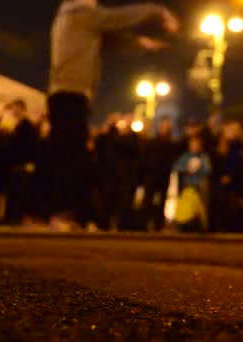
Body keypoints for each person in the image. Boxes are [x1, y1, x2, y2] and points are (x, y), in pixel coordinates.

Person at [48, 0, 178, 229]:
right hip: (72, 94)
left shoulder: (73, 21)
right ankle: (65, 213)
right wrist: (157, 12)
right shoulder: (82, 14)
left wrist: (140, 43)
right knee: (72, 156)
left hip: (63, 93)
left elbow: (109, 40)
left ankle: (73, 212)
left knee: (70, 153)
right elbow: (118, 18)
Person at [3, 99, 39, 225]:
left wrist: (31, 162)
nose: (14, 112)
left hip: (23, 166)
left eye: (16, 109)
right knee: (14, 192)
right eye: (13, 109)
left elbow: (32, 146)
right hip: (15, 165)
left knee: (21, 193)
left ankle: (18, 218)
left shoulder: (28, 127)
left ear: (23, 110)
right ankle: (13, 218)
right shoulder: (16, 126)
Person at [142, 117, 181, 231]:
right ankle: (145, 223)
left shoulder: (172, 143)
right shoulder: (152, 142)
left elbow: (174, 158)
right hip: (151, 175)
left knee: (162, 200)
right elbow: (145, 158)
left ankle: (158, 224)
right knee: (148, 199)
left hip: (164, 175)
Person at [173, 137, 211, 232]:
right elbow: (176, 167)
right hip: (187, 186)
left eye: (196, 145)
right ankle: (184, 226)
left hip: (199, 187)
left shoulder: (203, 157)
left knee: (199, 208)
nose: (194, 147)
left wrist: (198, 168)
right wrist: (187, 168)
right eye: (192, 144)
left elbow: (208, 170)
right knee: (186, 208)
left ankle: (200, 227)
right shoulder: (185, 156)